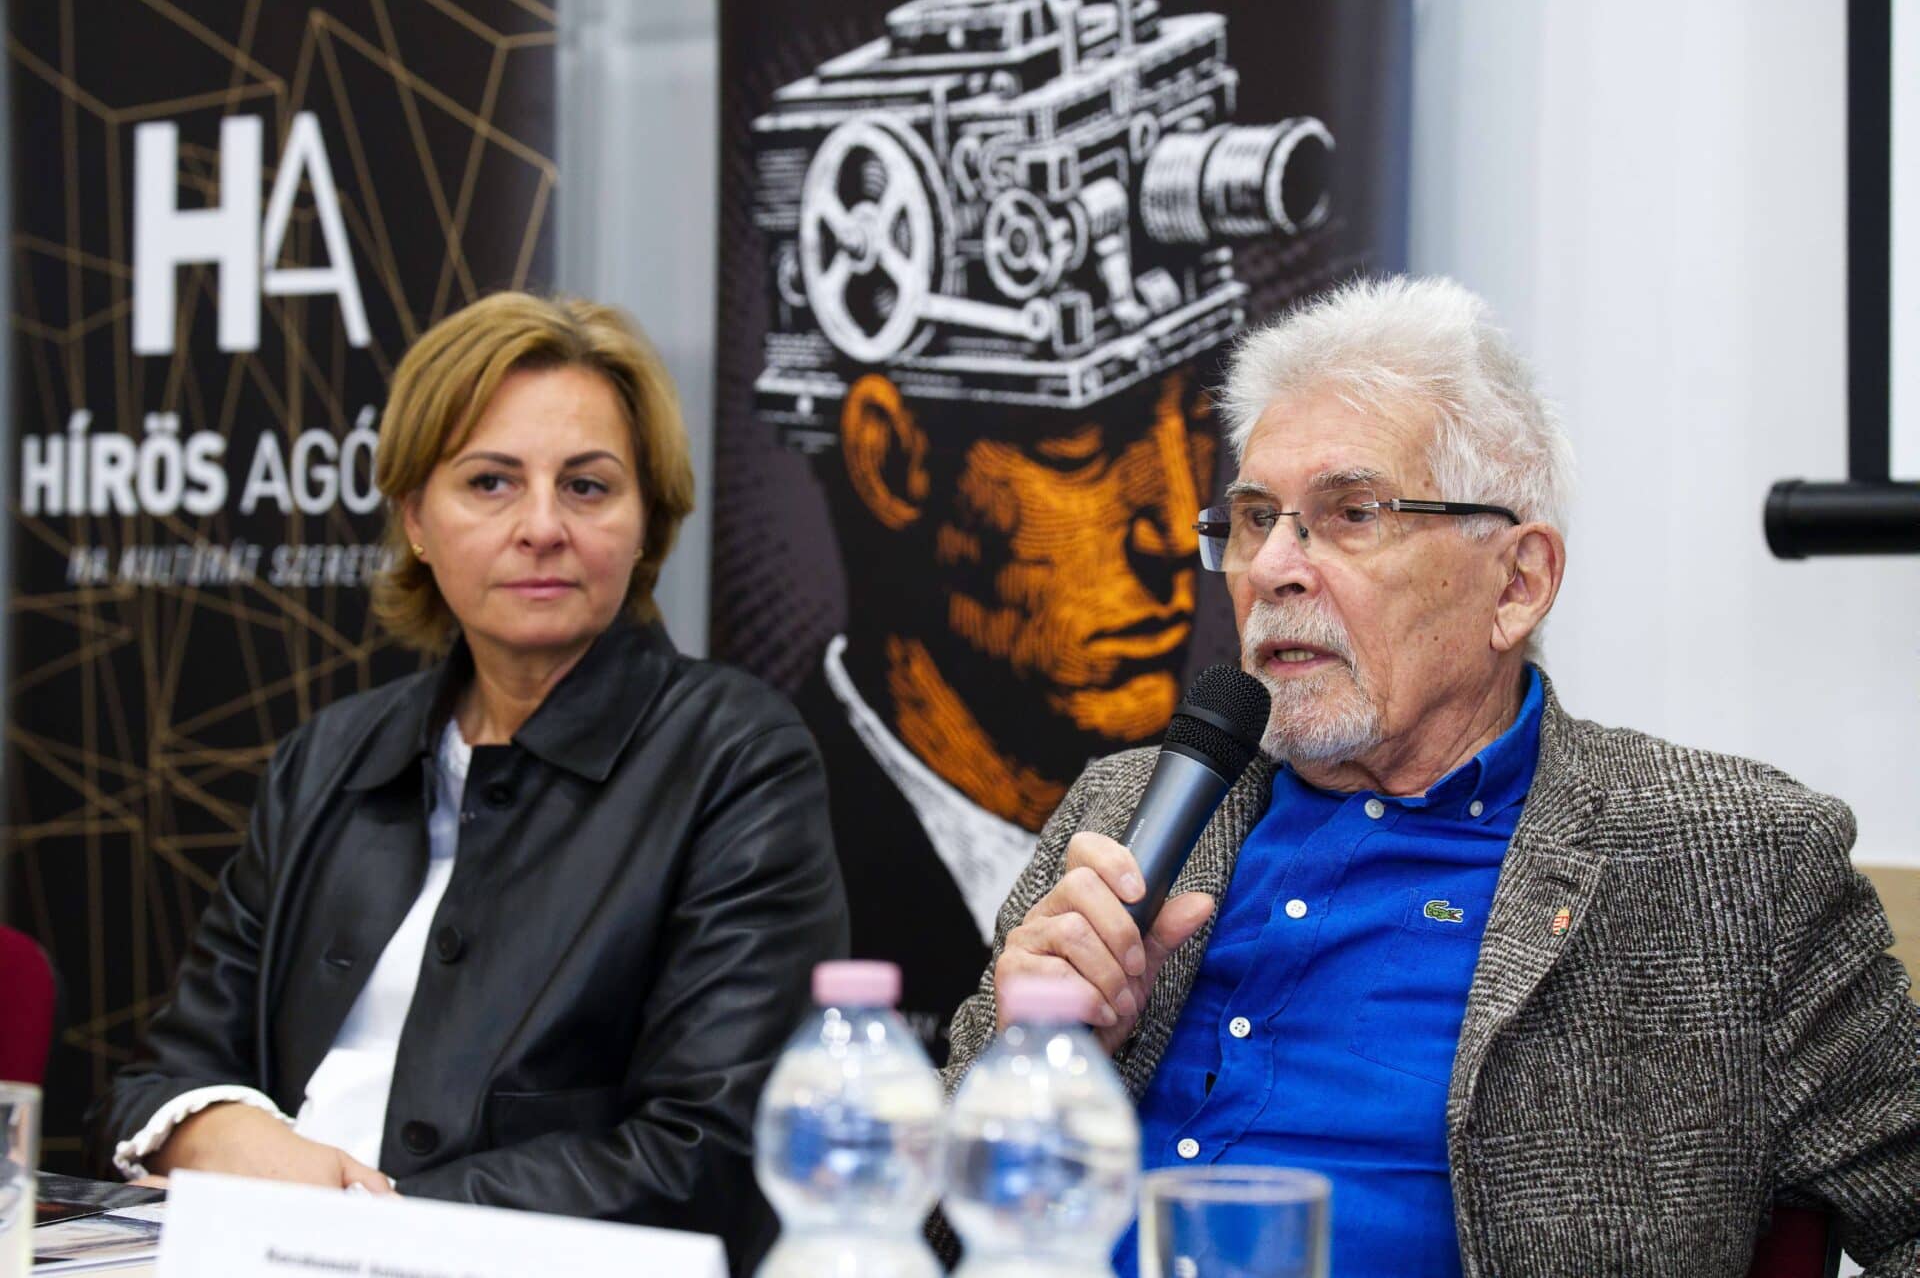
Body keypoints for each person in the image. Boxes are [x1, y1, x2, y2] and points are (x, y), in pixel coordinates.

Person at [937, 276, 1920, 1276]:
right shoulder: (1127, 809)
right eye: (1254, 518)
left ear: (1517, 583)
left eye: (1350, 513)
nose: (1271, 567)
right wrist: (1031, 1066)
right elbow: (917, 1218)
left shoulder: (1733, 864)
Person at [88, 293, 847, 1272]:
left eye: (587, 486)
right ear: (416, 517)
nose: (542, 526)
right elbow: (157, 1081)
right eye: (491, 482)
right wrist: (219, 1133)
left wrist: (366, 1224)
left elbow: (711, 1154)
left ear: (645, 520)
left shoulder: (735, 757)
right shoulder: (327, 758)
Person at [796, 366, 1216, 1055]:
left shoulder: (1226, 839)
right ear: (892, 458)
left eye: (1198, 424)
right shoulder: (765, 825)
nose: (1175, 529)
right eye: (1081, 441)